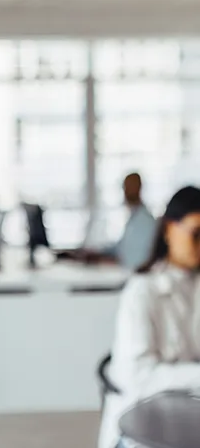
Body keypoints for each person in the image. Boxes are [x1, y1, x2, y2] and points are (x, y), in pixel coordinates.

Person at [98, 186, 200, 448]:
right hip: (141, 430)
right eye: (196, 234)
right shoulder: (142, 291)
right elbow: (139, 378)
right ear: (168, 229)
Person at [58, 173, 156, 270]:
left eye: (130, 187)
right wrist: (96, 252)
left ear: (139, 188)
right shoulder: (135, 217)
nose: (127, 191)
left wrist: (103, 259)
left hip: (129, 275)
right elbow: (120, 248)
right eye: (126, 187)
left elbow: (132, 261)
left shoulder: (145, 221)